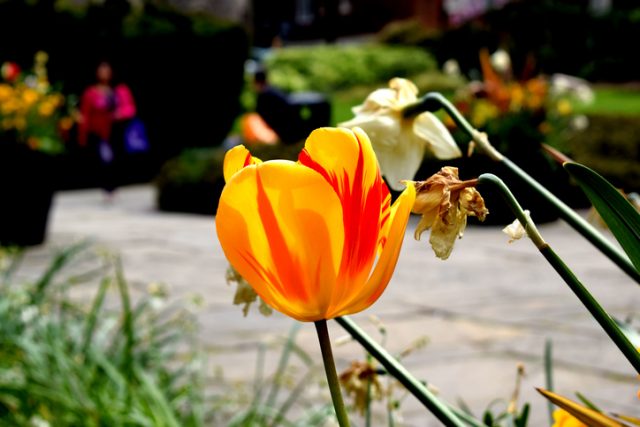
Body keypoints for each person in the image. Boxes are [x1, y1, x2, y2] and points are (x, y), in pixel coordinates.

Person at [78, 61, 136, 200]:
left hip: (117, 132)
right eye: (101, 70)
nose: (104, 73)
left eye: (106, 70)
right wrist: (82, 136)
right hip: (100, 133)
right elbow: (85, 115)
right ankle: (108, 188)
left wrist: (119, 114)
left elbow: (130, 108)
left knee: (115, 159)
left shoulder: (120, 90)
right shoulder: (91, 93)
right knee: (105, 160)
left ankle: (114, 186)